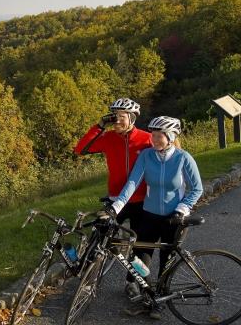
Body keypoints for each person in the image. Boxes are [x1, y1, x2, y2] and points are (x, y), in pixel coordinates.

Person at [106, 116, 204, 320]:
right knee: (140, 259)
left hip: (174, 219)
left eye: (160, 136)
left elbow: (197, 189)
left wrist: (182, 209)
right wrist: (116, 206)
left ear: (171, 137)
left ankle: (159, 302)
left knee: (166, 261)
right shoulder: (146, 156)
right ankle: (149, 295)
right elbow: (132, 183)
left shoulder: (183, 158)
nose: (155, 139)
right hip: (149, 215)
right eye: (153, 135)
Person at [73, 97, 152, 297]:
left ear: (132, 118)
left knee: (140, 244)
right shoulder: (108, 137)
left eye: (121, 116)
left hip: (143, 200)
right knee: (98, 237)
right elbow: (80, 149)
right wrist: (99, 126)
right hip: (116, 200)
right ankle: (87, 279)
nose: (116, 120)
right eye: (114, 116)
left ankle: (133, 282)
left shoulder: (147, 139)